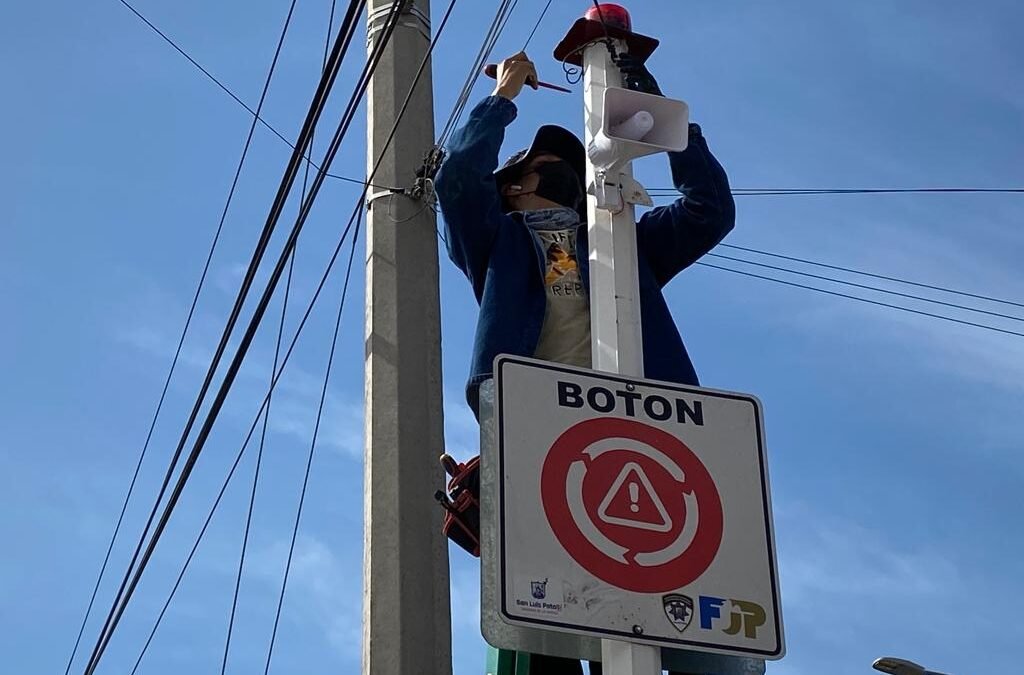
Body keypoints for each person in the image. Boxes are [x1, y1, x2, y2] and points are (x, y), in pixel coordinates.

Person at [434, 51, 735, 675]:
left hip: (646, 442)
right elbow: (458, 176)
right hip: (538, 442)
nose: (565, 175)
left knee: (689, 634)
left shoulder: (624, 244)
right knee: (538, 631)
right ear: (513, 187)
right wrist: (504, 95)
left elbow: (709, 210)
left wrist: (658, 112)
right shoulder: (500, 243)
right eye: (546, 167)